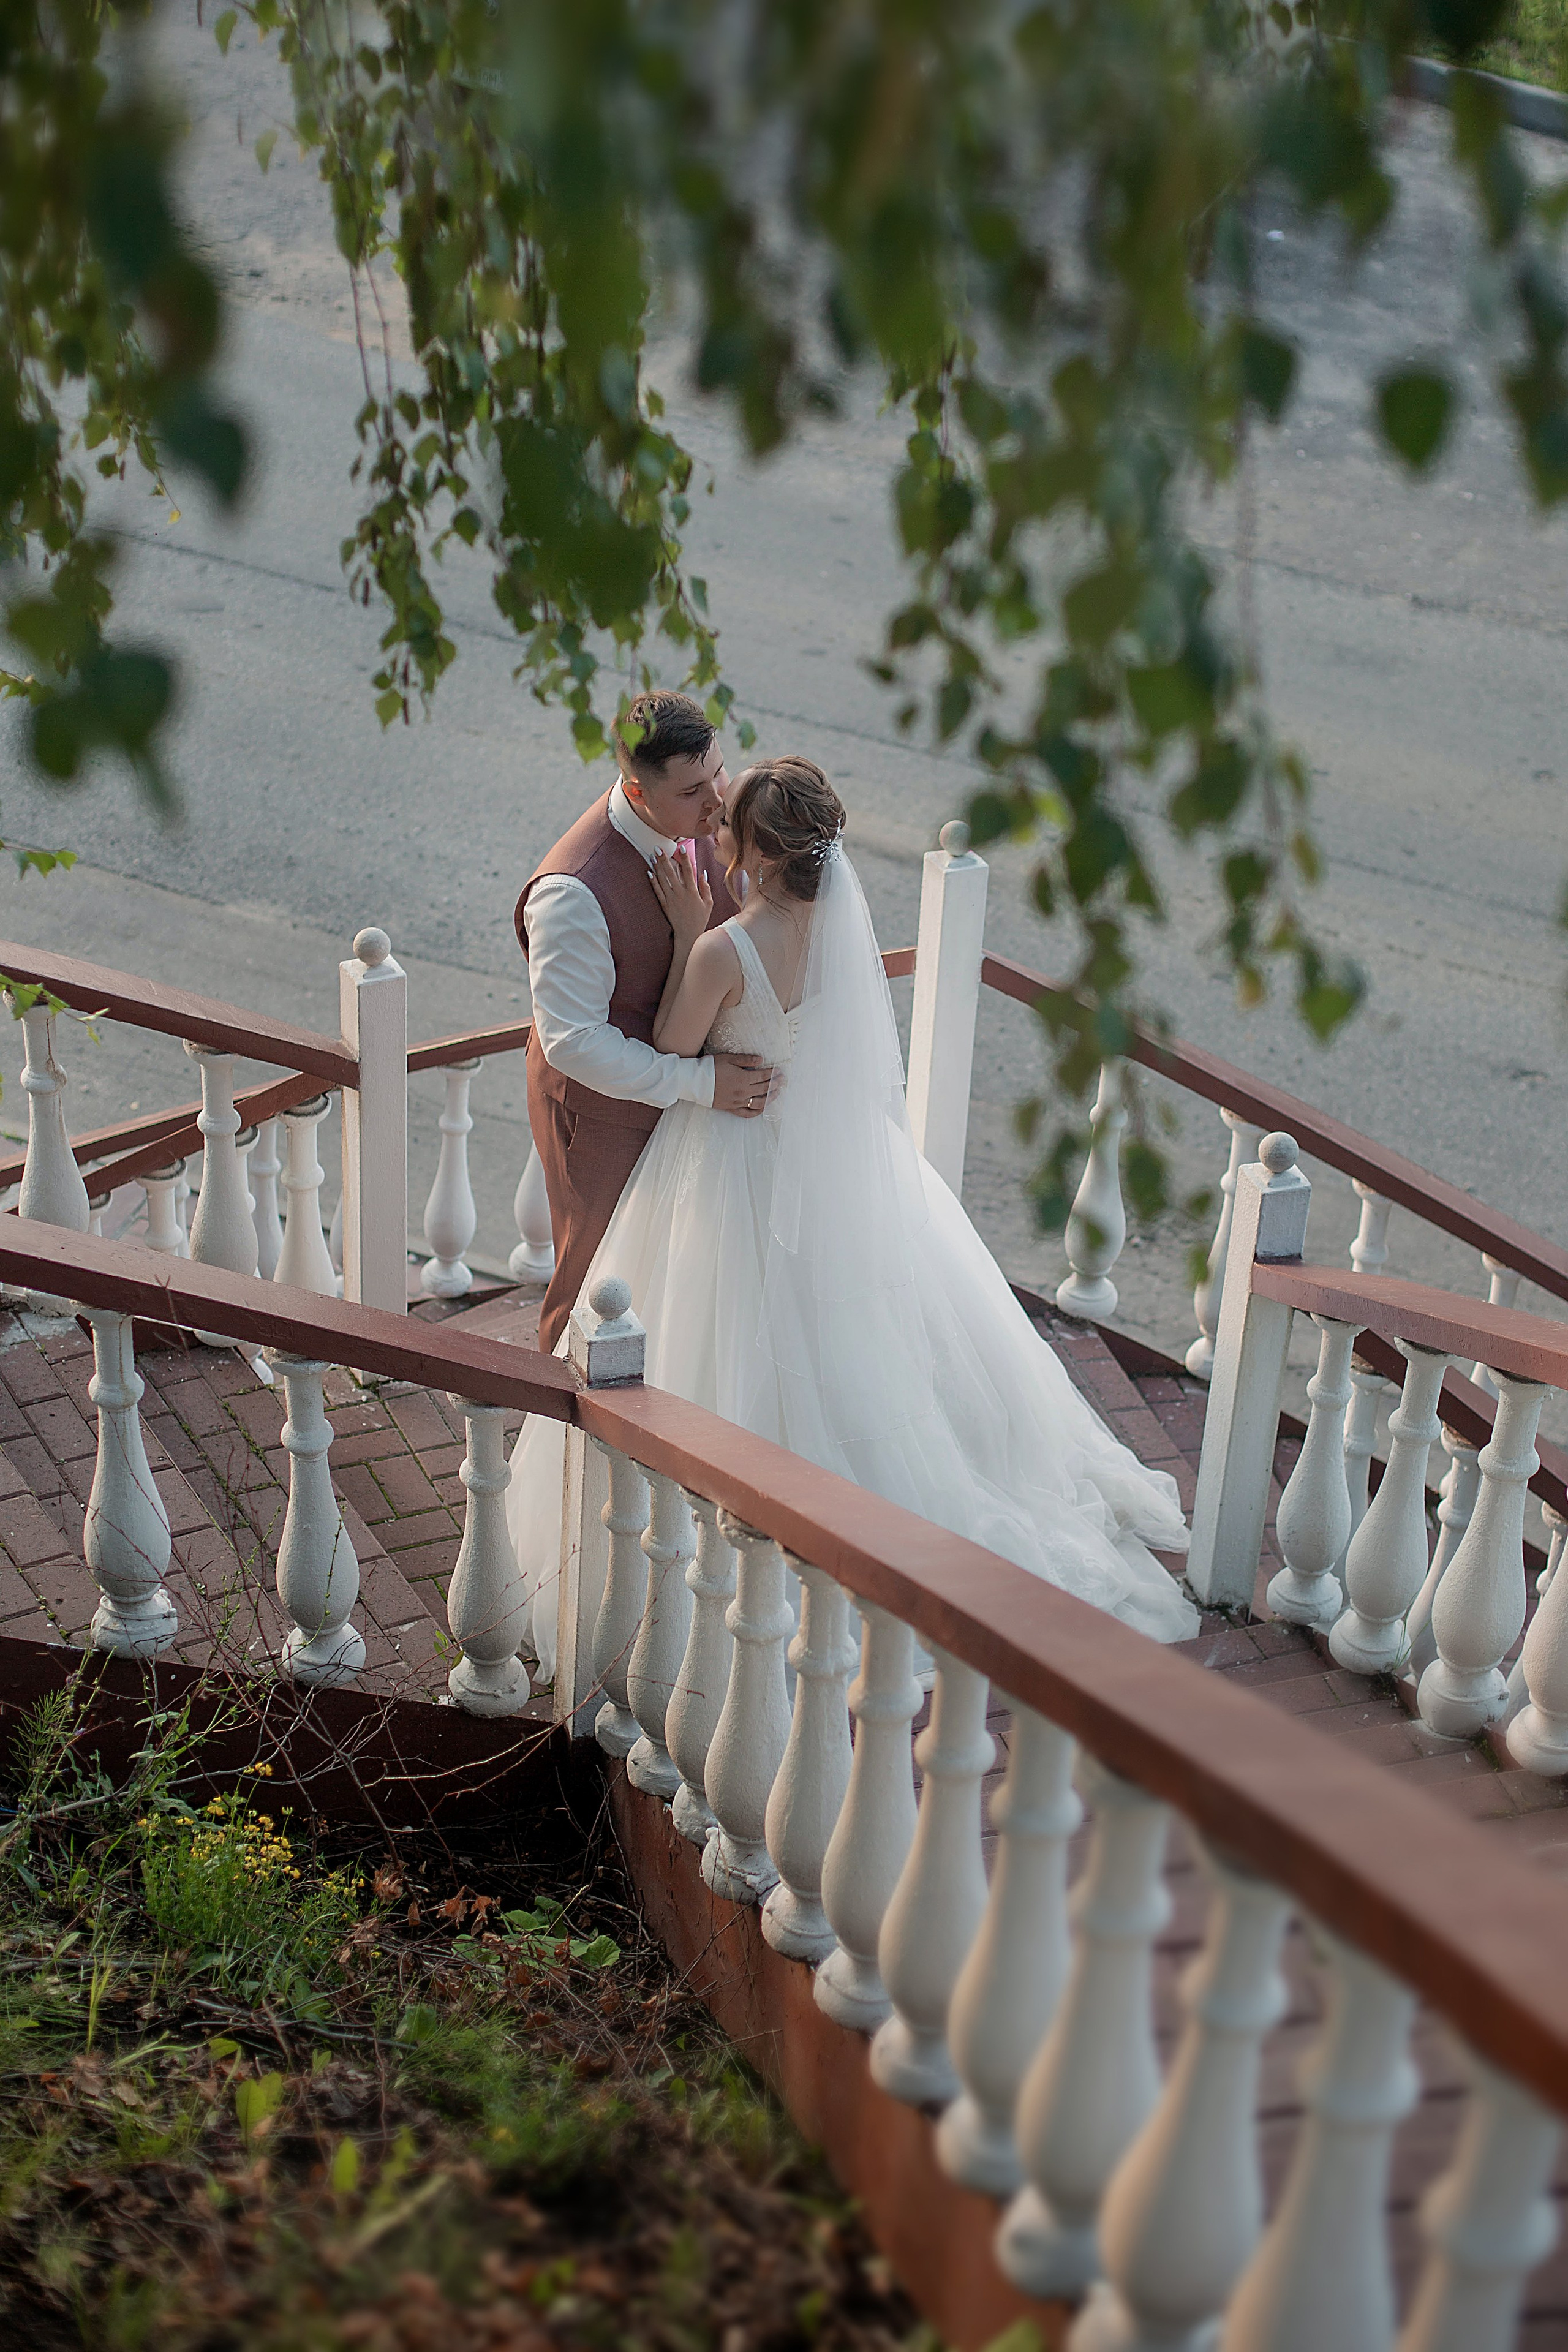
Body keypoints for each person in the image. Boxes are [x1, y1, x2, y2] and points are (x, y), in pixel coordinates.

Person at [508, 755, 1197, 1672]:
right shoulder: (835, 927)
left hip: (730, 1154)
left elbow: (676, 1051)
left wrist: (685, 931)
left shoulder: (720, 949)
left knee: (719, 1337)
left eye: (725, 831)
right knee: (849, 1337)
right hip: (822, 1158)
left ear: (755, 854)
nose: (710, 836)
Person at [515, 688, 780, 1354]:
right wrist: (700, 1084)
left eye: (718, 771)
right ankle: (558, 1436)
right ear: (636, 794)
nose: (717, 800)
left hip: (698, 1107)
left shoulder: (708, 820)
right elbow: (573, 1041)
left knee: (677, 1284)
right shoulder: (572, 893)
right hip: (605, 1117)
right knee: (593, 1292)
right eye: (693, 790)